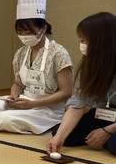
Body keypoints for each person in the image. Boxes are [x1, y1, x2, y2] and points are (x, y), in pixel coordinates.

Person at [0, 0, 73, 134]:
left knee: (6, 120)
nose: (24, 36)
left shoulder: (58, 54)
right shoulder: (21, 53)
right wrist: (13, 97)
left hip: (47, 109)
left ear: (43, 29)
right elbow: (18, 83)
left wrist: (33, 104)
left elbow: (66, 92)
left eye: (29, 32)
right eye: (20, 32)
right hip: (24, 102)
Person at [47, 12, 116, 156]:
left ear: (101, 41)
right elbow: (78, 103)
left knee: (114, 143)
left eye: (84, 40)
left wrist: (106, 131)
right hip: (104, 114)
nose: (82, 45)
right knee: (60, 133)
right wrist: (60, 137)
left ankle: (108, 139)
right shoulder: (92, 64)